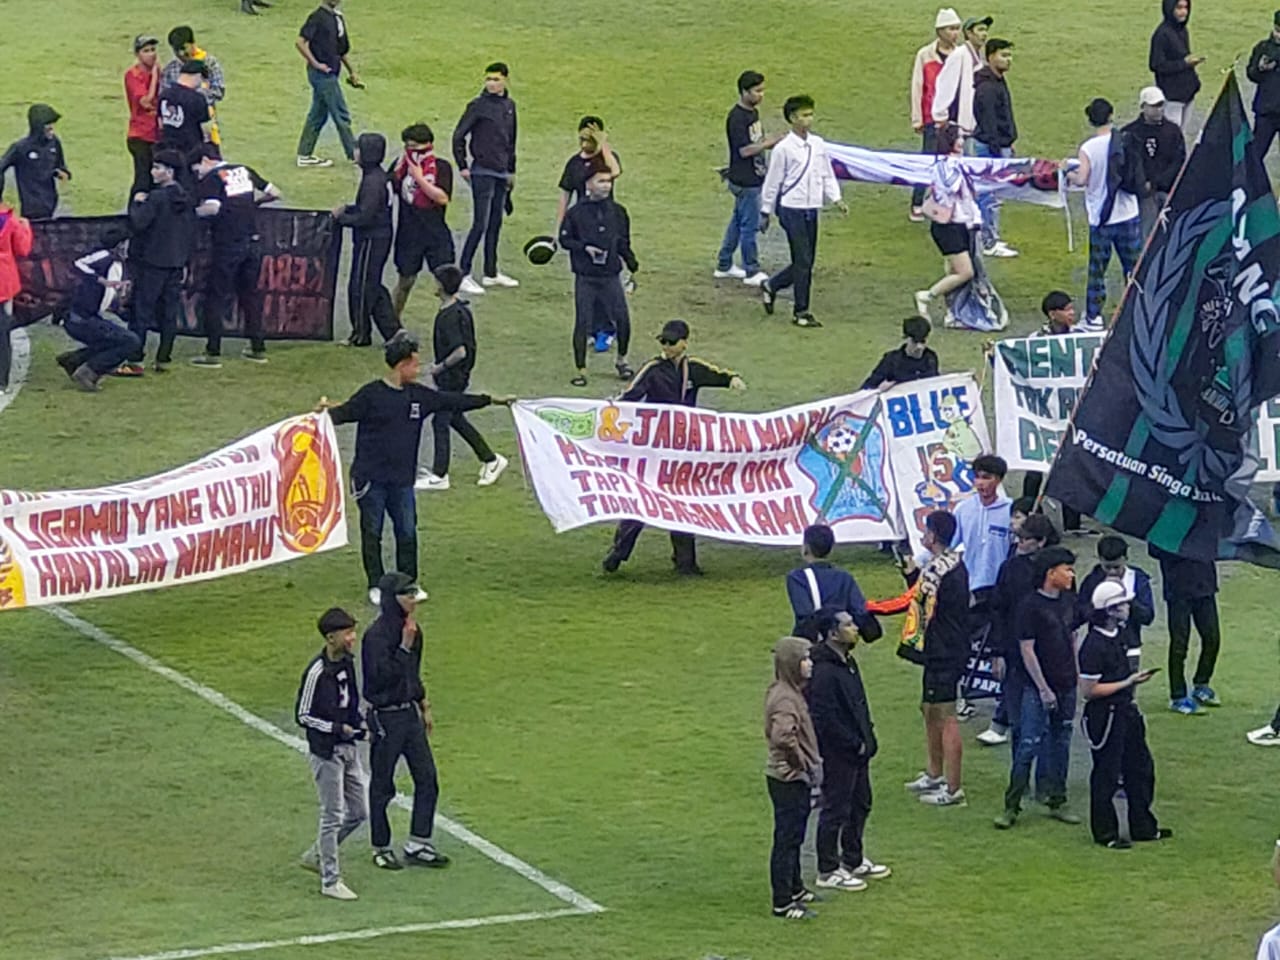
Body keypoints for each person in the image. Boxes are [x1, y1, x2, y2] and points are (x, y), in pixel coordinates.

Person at [318, 333, 514, 602]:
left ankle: (407, 583)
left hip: (401, 480)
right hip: (370, 479)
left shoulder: (419, 397)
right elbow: (340, 415)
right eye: (415, 364)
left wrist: (491, 400)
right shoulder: (371, 395)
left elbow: (452, 401)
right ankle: (375, 584)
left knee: (407, 532)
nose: (419, 370)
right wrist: (320, 413)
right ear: (402, 365)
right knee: (372, 532)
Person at [601, 320, 745, 576]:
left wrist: (732, 379)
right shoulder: (653, 369)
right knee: (645, 500)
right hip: (655, 449)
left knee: (681, 503)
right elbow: (630, 396)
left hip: (684, 450)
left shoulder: (694, 369)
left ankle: (685, 562)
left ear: (684, 343)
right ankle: (618, 553)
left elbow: (718, 375)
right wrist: (609, 409)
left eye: (671, 342)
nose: (666, 346)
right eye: (663, 342)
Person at [798, 606, 891, 893]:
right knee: (835, 808)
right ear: (832, 633)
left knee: (861, 803)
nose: (855, 629)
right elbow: (824, 718)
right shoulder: (824, 672)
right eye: (848, 625)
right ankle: (827, 869)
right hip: (840, 751)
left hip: (858, 748)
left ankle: (852, 857)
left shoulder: (847, 661)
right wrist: (854, 742)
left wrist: (867, 737)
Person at [361, 572, 449, 871]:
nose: (413, 600)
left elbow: (412, 672)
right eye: (407, 595)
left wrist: (423, 704)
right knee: (383, 785)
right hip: (385, 716)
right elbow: (380, 677)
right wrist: (403, 646)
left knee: (427, 779)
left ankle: (418, 842)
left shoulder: (413, 631)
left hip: (408, 714)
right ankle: (381, 846)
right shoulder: (376, 637)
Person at [993, 545, 1081, 829]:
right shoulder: (1029, 606)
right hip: (1037, 686)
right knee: (1028, 743)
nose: (1071, 574)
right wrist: (1043, 688)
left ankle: (1057, 798)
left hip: (1066, 683)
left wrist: (1076, 673)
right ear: (1050, 572)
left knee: (1062, 742)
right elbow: (1027, 649)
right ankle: (1012, 805)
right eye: (1067, 569)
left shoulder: (1069, 601)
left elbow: (1073, 636)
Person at [1079, 581, 1170, 849]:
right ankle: (1105, 833)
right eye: (1122, 604)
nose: (1127, 607)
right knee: (1106, 773)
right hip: (1105, 714)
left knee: (1140, 768)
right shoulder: (1093, 645)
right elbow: (1089, 690)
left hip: (1125, 710)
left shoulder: (1119, 634)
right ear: (1109, 610)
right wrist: (1127, 682)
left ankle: (1143, 826)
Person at [415, 265, 509, 492]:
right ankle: (490, 459)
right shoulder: (460, 310)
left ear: (441, 285)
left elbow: (460, 352)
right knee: (455, 418)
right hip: (459, 376)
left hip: (452, 378)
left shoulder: (449, 317)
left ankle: (440, 475)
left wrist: (438, 368)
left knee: (441, 420)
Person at [296, 606, 368, 900]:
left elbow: (350, 700)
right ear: (330, 637)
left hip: (348, 747)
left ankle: (317, 854)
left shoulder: (347, 663)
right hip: (327, 752)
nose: (353, 638)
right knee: (332, 814)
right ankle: (329, 880)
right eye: (347, 633)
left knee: (359, 812)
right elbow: (303, 715)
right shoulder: (316, 672)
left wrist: (358, 723)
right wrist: (337, 728)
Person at [759, 95, 848, 329]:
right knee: (804, 261)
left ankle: (773, 285)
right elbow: (773, 180)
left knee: (805, 261)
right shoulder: (783, 149)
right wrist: (766, 210)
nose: (808, 120)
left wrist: (836, 198)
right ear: (792, 118)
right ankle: (801, 310)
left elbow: (826, 173)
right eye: (803, 115)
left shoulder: (818, 144)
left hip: (811, 208)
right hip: (791, 208)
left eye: (810, 114)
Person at [902, 510, 970, 807]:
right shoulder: (952, 564)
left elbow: (915, 601)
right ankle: (934, 773)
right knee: (929, 708)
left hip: (944, 649)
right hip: (947, 647)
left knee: (945, 713)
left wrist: (868, 609)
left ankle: (953, 789)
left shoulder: (936, 569)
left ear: (933, 534)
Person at [191, 144, 280, 367]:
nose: (197, 175)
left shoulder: (212, 178)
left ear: (205, 160)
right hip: (252, 242)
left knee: (217, 296)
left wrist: (188, 214)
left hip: (227, 245)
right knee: (249, 296)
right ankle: (257, 348)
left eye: (196, 169)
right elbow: (274, 193)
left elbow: (212, 209)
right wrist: (253, 204)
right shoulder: (244, 170)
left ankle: (213, 353)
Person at [1064, 98, 1142, 332]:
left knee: (1098, 269)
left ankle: (1094, 317)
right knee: (1135, 265)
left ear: (1091, 119)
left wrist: (1067, 174)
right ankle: (1140, 310)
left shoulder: (1089, 148)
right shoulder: (1126, 140)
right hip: (1128, 212)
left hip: (1101, 218)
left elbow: (1082, 179)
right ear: (1111, 114)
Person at [981, 513, 1057, 747]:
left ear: (1041, 541)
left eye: (1024, 539)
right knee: (1018, 715)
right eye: (1017, 537)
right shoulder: (1010, 567)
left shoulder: (1056, 570)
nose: (1018, 543)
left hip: (1049, 649)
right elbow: (998, 611)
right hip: (1015, 649)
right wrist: (997, 652)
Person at [559, 169, 637, 386]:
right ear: (588, 184)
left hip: (611, 274)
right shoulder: (576, 213)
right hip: (586, 276)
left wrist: (632, 264)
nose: (606, 185)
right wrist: (585, 248)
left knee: (622, 319)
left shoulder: (618, 211)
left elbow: (623, 242)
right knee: (582, 321)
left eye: (608, 181)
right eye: (601, 181)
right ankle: (581, 368)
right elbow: (565, 240)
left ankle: (622, 360)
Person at [763, 635, 821, 920]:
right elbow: (783, 737)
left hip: (788, 776)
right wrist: (802, 764)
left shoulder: (787, 690)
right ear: (791, 664)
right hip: (788, 779)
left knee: (795, 836)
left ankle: (795, 888)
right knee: (787, 839)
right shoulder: (786, 699)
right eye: (805, 658)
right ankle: (783, 901)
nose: (810, 664)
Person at [556, 116, 624, 352]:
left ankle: (606, 329)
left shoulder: (604, 162)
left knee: (606, 280)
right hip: (582, 226)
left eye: (590, 137)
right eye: (583, 136)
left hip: (605, 224)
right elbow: (565, 193)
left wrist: (603, 144)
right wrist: (561, 224)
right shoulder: (574, 164)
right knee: (584, 280)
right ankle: (591, 328)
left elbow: (615, 171)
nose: (585, 141)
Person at [127, 149, 196, 373]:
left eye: (157, 168)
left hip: (153, 262)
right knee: (169, 313)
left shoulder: (156, 198)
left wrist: (137, 203)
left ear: (170, 171)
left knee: (142, 312)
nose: (152, 171)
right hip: (176, 263)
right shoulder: (185, 198)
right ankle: (164, 359)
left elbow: (139, 223)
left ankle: (135, 358)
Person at [1019, 292, 1083, 530]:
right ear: (1052, 313)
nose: (1072, 313)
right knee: (1035, 466)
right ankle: (1028, 514)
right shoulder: (1035, 340)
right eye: (1067, 309)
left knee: (1071, 468)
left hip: (1070, 413)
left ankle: (1073, 524)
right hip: (1044, 413)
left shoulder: (1082, 337)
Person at [453, 62, 518, 295]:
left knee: (495, 223)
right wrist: (462, 166)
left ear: (505, 80)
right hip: (482, 171)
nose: (491, 83)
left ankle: (491, 273)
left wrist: (511, 171)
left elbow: (511, 142)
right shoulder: (477, 106)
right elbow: (458, 136)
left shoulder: (510, 106)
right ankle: (463, 273)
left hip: (501, 172)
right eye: (488, 79)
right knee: (480, 223)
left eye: (496, 79)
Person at [332, 132, 399, 347]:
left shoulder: (372, 181)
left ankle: (360, 334)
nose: (355, 152)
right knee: (373, 286)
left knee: (360, 286)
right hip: (380, 238)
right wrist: (350, 209)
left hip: (372, 239)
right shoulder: (378, 176)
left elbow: (365, 217)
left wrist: (341, 218)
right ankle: (393, 331)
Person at [56, 226, 141, 392]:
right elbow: (78, 264)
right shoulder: (105, 257)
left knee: (113, 339)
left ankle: (75, 360)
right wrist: (100, 280)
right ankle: (88, 371)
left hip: (83, 316)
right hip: (81, 318)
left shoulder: (112, 261)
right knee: (130, 341)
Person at [914, 123, 981, 322]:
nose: (962, 141)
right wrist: (961, 166)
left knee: (953, 271)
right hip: (947, 226)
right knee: (965, 272)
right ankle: (926, 296)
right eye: (959, 137)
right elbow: (953, 186)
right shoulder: (945, 165)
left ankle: (952, 313)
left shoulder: (956, 164)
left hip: (960, 223)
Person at [716, 71, 778, 285]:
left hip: (750, 177)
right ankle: (751, 270)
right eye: (757, 90)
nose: (761, 95)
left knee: (737, 222)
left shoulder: (752, 113)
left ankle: (724, 264)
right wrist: (768, 144)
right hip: (746, 181)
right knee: (749, 227)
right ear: (744, 92)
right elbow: (744, 150)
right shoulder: (737, 117)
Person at [390, 124, 454, 320]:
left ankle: (450, 324)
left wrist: (419, 178)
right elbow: (389, 186)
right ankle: (393, 325)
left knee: (446, 284)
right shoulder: (400, 167)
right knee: (405, 282)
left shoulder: (441, 167)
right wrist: (402, 165)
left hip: (435, 234)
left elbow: (442, 197)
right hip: (409, 234)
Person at [1149, 544, 1221, 714]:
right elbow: (1154, 549)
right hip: (1178, 589)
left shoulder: (1205, 520)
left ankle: (1202, 683)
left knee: (1212, 638)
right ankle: (1178, 696)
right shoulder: (1166, 522)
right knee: (1180, 644)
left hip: (1204, 585)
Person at [909, 8, 962, 221]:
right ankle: (916, 202)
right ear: (939, 31)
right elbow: (917, 86)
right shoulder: (925, 55)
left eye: (957, 29)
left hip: (955, 118)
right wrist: (917, 118)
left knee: (953, 162)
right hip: (933, 117)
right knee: (928, 161)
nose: (955, 33)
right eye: (951, 29)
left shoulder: (961, 55)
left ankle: (942, 203)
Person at [786, 524, 884, 639]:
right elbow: (860, 612)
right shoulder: (844, 577)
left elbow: (804, 614)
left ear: (806, 548)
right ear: (831, 549)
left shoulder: (798, 577)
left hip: (811, 644)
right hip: (839, 645)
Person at [296, 0, 362, 168]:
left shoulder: (337, 18)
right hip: (322, 74)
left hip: (330, 72)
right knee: (341, 113)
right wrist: (316, 64)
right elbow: (300, 42)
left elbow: (340, 50)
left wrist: (352, 71)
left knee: (317, 115)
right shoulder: (317, 17)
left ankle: (304, 154)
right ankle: (354, 153)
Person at [1076, 536, 1155, 670]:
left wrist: (1130, 604)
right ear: (1100, 559)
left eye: (1117, 567)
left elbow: (1148, 617)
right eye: (1107, 567)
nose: (1113, 572)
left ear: (1125, 559)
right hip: (1100, 645)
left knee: (1128, 688)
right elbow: (1079, 613)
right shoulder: (1093, 580)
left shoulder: (1137, 579)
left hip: (1130, 645)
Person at [971, 38, 1018, 258]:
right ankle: (989, 242)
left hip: (997, 145)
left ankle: (989, 237)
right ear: (990, 57)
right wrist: (999, 151)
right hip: (992, 148)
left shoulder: (996, 81)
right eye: (1003, 55)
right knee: (990, 196)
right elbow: (989, 122)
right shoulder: (988, 87)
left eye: (1009, 55)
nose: (1008, 60)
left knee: (990, 195)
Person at [1122, 87, 1185, 239]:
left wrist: (1158, 182)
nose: (1159, 110)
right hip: (1144, 195)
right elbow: (1127, 165)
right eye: (1154, 106)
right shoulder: (1130, 133)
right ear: (1143, 106)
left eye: (1161, 105)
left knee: (1173, 233)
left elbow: (1179, 160)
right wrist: (1140, 184)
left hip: (1168, 189)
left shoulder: (1173, 130)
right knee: (1147, 235)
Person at [0, 104, 70, 220]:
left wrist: (62, 173)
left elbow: (60, 165)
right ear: (38, 127)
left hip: (51, 202)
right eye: (48, 126)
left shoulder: (54, 143)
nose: (51, 129)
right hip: (30, 207)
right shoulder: (20, 148)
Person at [162, 26, 225, 148]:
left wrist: (195, 98)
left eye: (184, 48)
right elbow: (165, 97)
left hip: (205, 125)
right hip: (178, 128)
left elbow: (219, 90)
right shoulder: (170, 69)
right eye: (177, 50)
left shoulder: (209, 63)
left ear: (192, 43)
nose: (181, 54)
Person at [931, 15, 991, 136]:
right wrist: (941, 115)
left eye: (985, 30)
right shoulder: (959, 55)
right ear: (969, 33)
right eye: (980, 30)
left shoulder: (981, 57)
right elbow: (945, 84)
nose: (984, 34)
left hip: (975, 125)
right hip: (959, 126)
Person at [1149, 0, 1202, 129]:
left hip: (1187, 92)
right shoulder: (1162, 34)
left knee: (1181, 134)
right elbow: (1156, 65)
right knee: (1171, 134)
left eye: (1186, 7)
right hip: (1172, 95)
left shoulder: (1182, 30)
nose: (1183, 12)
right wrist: (1184, 63)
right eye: (1179, 8)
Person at [0, 201, 32, 395]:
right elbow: (23, 249)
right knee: (2, 332)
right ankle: (1, 381)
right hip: (3, 281)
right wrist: (25, 227)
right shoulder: (9, 220)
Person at [158, 61, 212, 175]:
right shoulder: (197, 99)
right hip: (191, 151)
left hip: (168, 149)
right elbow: (206, 129)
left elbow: (160, 123)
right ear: (198, 76)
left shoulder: (164, 95)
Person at [124, 36, 161, 199]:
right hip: (140, 134)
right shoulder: (133, 75)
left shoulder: (162, 72)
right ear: (137, 54)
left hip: (157, 134)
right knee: (143, 179)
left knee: (156, 180)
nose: (151, 54)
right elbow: (146, 101)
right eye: (146, 51)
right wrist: (154, 77)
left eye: (153, 50)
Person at [860, 316, 938, 390]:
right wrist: (880, 389)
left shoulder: (931, 358)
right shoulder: (892, 361)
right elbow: (867, 389)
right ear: (906, 338)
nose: (919, 347)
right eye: (915, 342)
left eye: (922, 342)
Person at [1247, 13, 1280, 160]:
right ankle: (1252, 182)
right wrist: (1260, 69)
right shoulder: (1263, 47)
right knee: (1256, 154)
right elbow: (1252, 75)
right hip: (1266, 111)